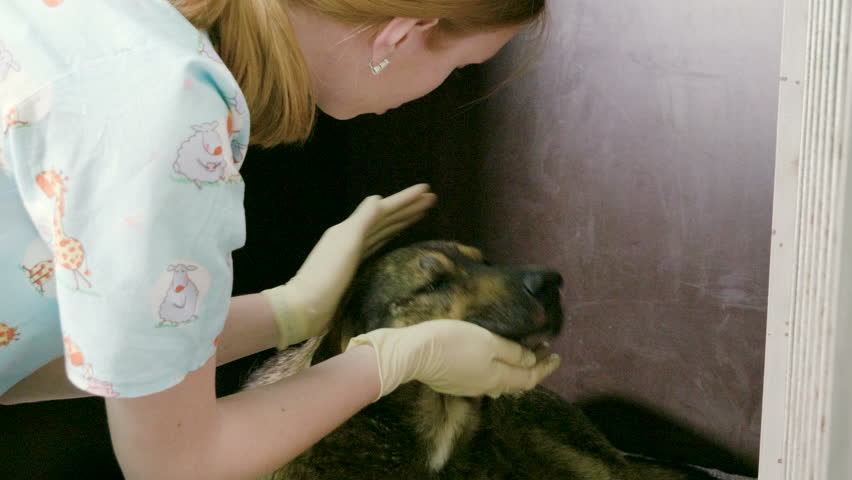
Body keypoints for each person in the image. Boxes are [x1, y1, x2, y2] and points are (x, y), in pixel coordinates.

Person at [0, 0, 560, 478]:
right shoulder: (168, 109)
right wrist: (398, 358)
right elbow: (173, 464)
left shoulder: (115, 31)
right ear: (403, 33)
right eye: (461, 66)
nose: (445, 85)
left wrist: (289, 312)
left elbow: (47, 359)